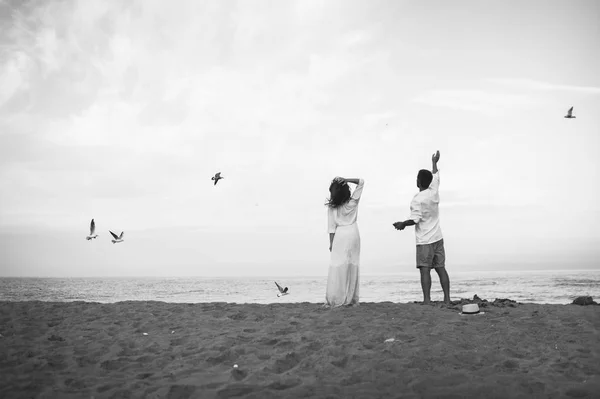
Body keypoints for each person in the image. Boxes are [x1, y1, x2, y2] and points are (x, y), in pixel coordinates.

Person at [393, 151, 450, 305]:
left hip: (425, 240)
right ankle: (447, 299)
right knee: (441, 268)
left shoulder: (417, 199)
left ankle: (427, 300)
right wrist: (434, 162)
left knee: (425, 270)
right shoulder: (434, 191)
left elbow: (415, 219)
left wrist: (403, 224)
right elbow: (435, 175)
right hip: (438, 237)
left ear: (418, 182)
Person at [325, 176, 365, 307]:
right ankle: (350, 298)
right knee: (352, 265)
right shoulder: (352, 202)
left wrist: (331, 244)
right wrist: (346, 179)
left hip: (340, 235)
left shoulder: (332, 208)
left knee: (338, 266)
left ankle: (336, 298)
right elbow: (361, 182)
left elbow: (331, 228)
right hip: (353, 233)